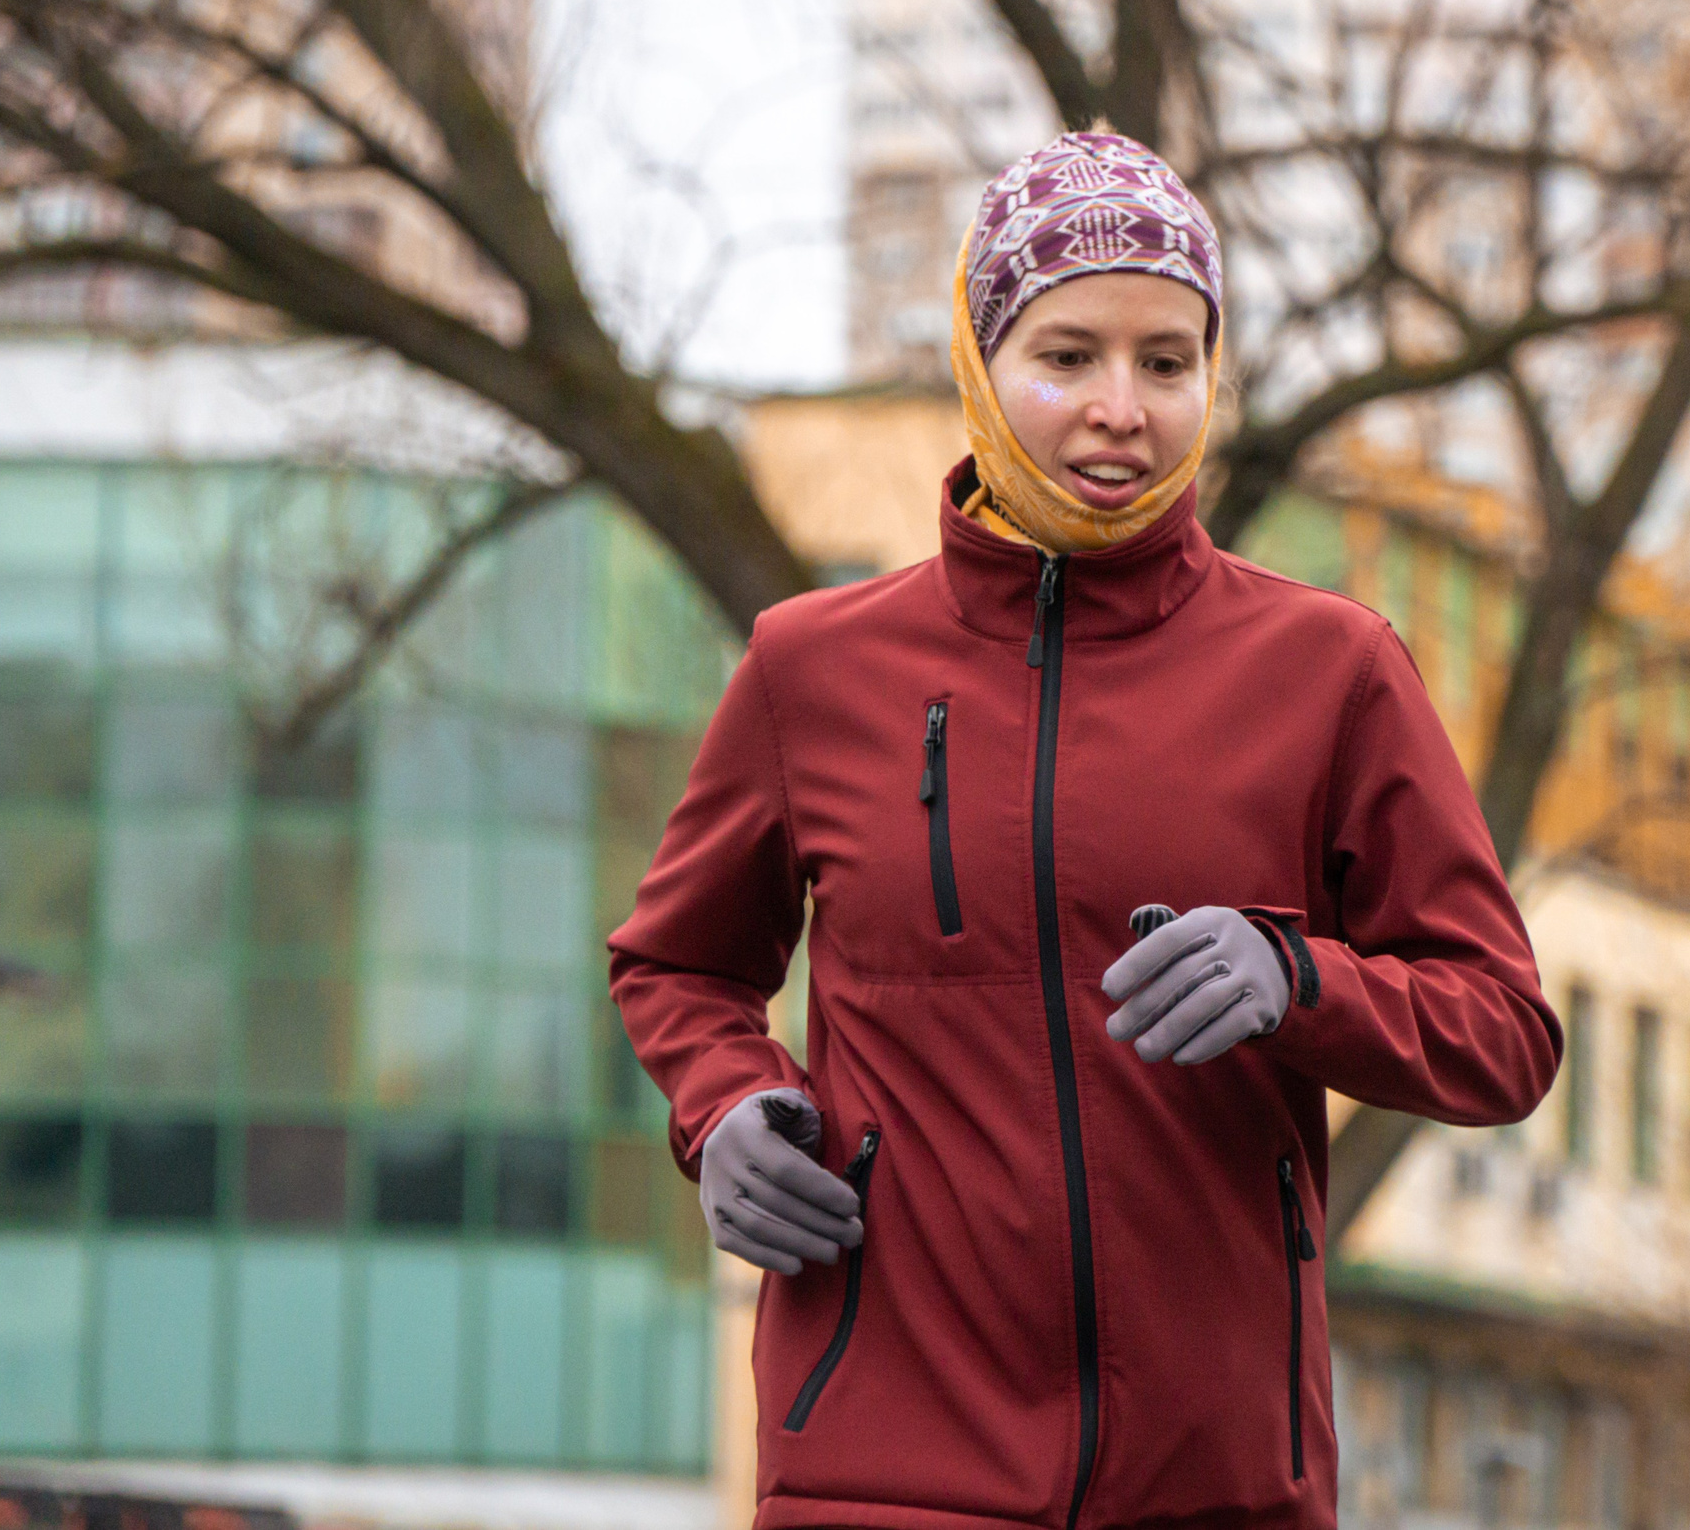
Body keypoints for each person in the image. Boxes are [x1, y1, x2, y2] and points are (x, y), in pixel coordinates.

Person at [608, 129, 1562, 1530]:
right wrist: (728, 1106)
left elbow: (1505, 1031)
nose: (1122, 409)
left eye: (1167, 364)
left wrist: (1300, 980)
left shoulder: (1330, 670)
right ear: (981, 366)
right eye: (1068, 357)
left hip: (1215, 1483)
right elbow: (676, 966)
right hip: (878, 1472)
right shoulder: (812, 671)